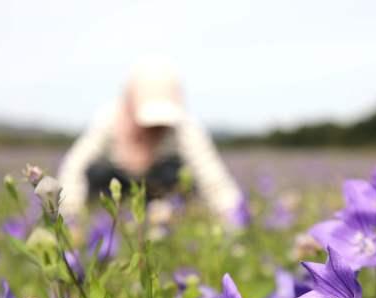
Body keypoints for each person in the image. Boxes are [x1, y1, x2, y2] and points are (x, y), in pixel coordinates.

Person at [57, 61, 246, 225]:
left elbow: (213, 177)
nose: (156, 128)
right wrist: (71, 216)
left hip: (161, 195)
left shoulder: (185, 128)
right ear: (131, 101)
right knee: (97, 173)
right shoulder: (109, 119)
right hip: (117, 192)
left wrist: (233, 216)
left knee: (178, 174)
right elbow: (74, 167)